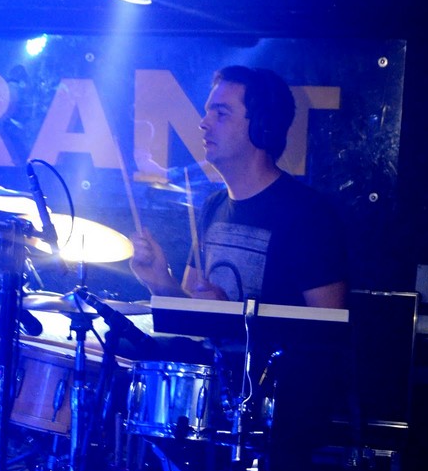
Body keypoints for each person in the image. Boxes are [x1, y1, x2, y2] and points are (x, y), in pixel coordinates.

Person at [130, 64, 348, 309]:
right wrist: (160, 281)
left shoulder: (309, 215)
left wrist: (230, 315)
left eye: (221, 113)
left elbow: (328, 327)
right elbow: (193, 314)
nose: (203, 123)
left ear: (262, 127)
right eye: (207, 112)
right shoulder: (214, 206)